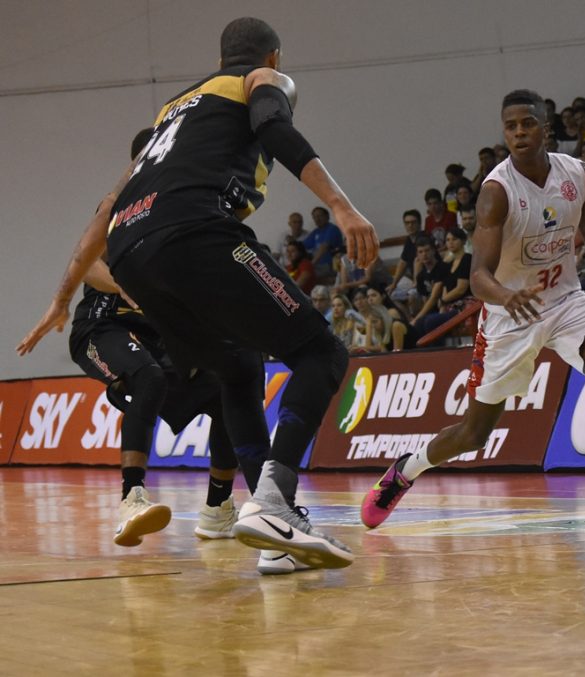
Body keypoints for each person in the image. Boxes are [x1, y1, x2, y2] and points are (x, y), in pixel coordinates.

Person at [19, 17, 380, 570]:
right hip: (196, 232)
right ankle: (275, 502)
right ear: (274, 57)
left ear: (218, 58)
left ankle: (271, 533)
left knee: (237, 369)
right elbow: (274, 128)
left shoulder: (171, 112)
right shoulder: (261, 79)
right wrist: (340, 205)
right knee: (322, 353)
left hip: (134, 255)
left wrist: (61, 298)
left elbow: (107, 210)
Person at [360, 89, 585, 531]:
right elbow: (478, 275)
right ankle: (405, 470)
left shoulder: (576, 173)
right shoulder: (496, 193)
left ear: (546, 128)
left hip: (564, 300)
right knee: (474, 434)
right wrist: (506, 296)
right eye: (511, 126)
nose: (519, 132)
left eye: (528, 123)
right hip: (510, 316)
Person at [67, 129, 263, 551]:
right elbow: (86, 264)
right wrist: (126, 289)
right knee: (149, 377)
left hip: (159, 337)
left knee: (226, 389)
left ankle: (218, 508)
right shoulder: (120, 205)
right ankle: (131, 499)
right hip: (103, 327)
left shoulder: (182, 204)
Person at [304, 206, 344, 283]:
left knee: (306, 275)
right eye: (315, 217)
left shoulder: (332, 229)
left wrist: (311, 265)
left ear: (327, 217)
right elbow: (302, 246)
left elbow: (324, 247)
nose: (317, 219)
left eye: (320, 216)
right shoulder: (316, 231)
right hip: (319, 266)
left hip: (330, 265)